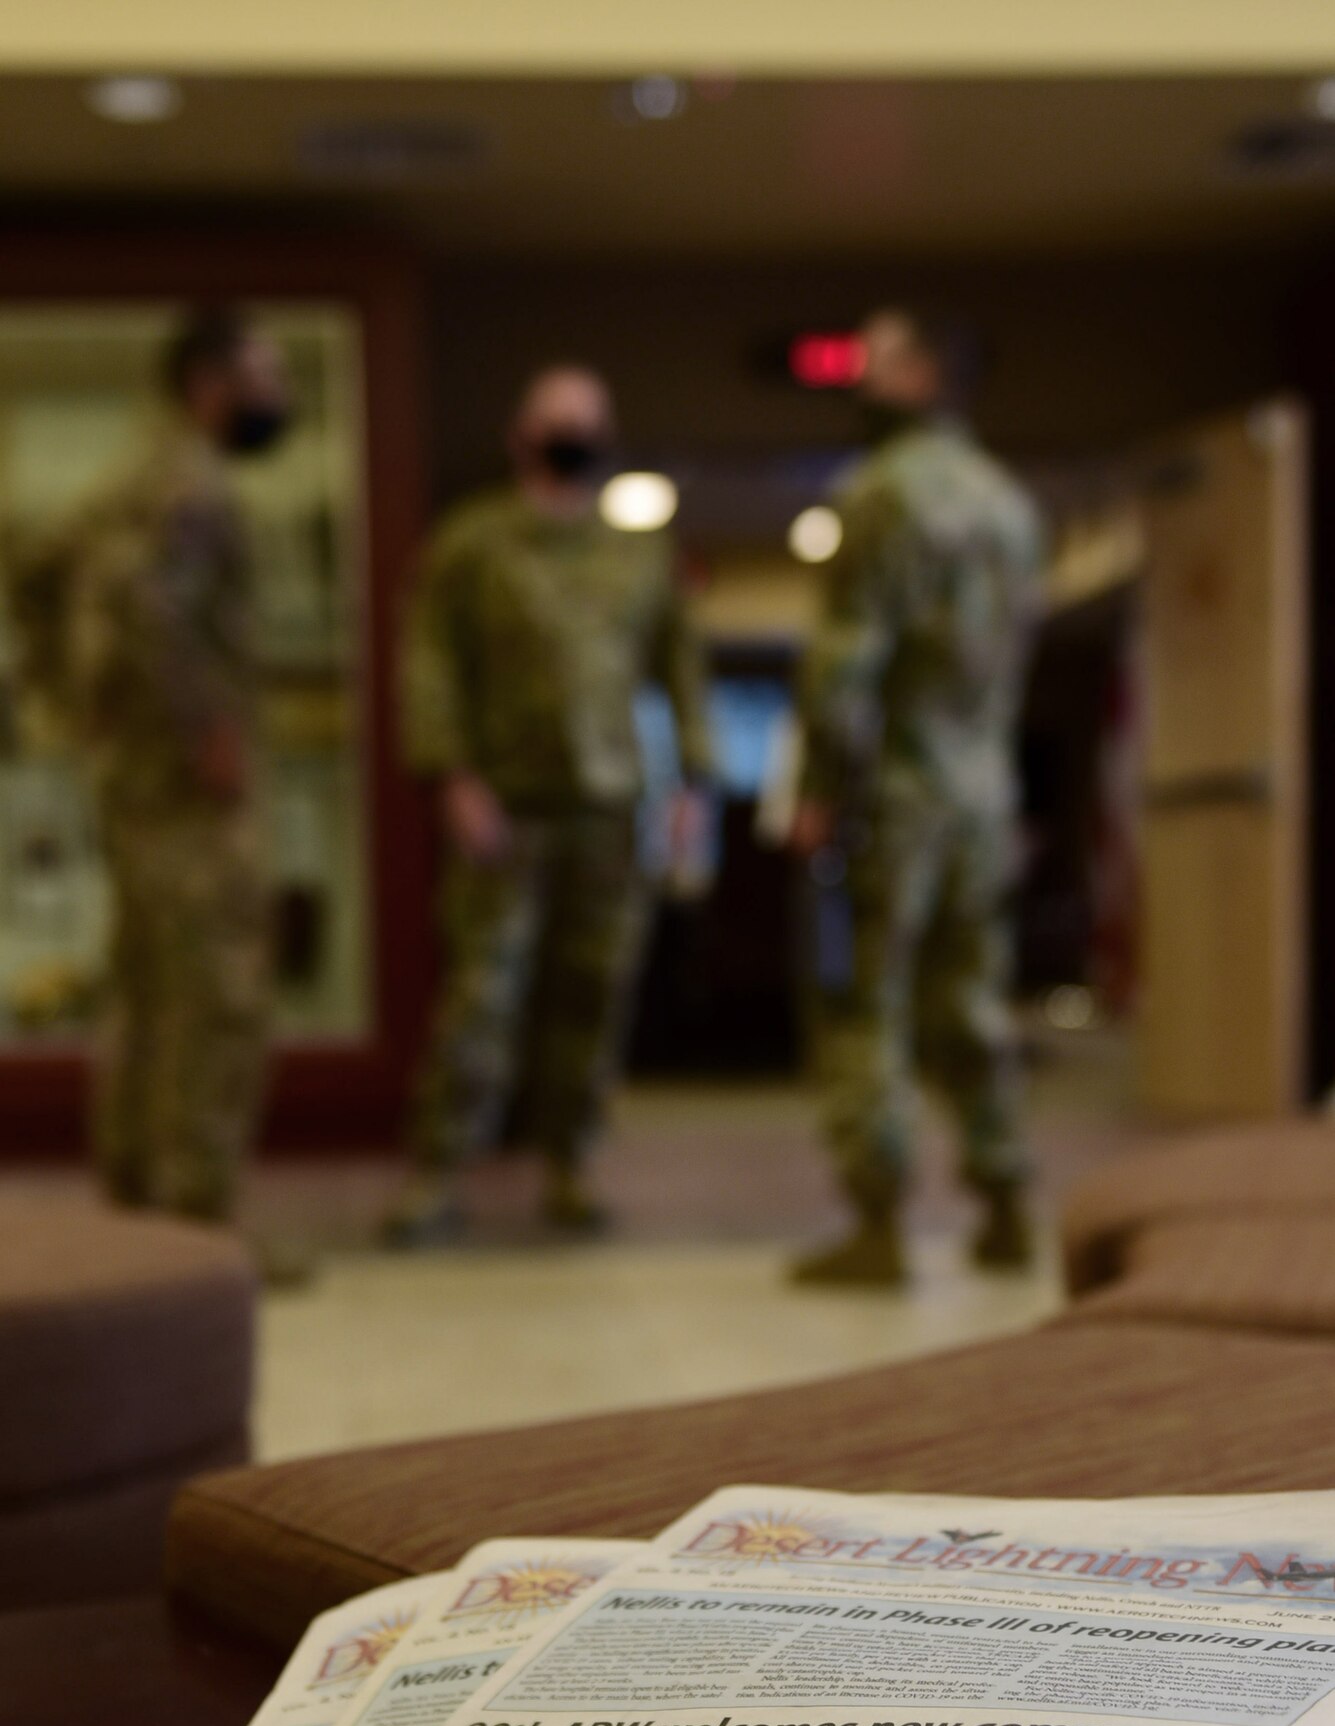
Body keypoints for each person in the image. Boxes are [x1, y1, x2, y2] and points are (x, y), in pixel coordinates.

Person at [389, 365, 712, 1241]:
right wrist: (449, 775)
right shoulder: (472, 543)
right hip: (507, 804)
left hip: (609, 805)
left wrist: (692, 780)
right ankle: (437, 1171)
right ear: (519, 436)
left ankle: (570, 1164)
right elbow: (429, 662)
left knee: (592, 994)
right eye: (555, 421)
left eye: (587, 421)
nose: (572, 435)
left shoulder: (636, 552)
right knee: (482, 995)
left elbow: (679, 667)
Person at [12, 308, 290, 1224]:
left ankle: (136, 1199)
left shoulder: (124, 477)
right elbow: (148, 605)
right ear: (211, 385)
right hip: (184, 787)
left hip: (133, 779)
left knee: (145, 985)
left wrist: (75, 704)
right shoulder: (189, 481)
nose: (278, 397)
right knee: (216, 993)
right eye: (266, 376)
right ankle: (198, 1217)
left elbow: (38, 575)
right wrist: (201, 726)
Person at [791, 309, 1045, 1286]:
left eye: (881, 361)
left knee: (866, 1002)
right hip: (983, 792)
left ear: (929, 374)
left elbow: (848, 661)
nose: (860, 376)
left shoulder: (880, 495)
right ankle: (1009, 1198)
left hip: (895, 793)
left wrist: (820, 789)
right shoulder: (1010, 503)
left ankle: (879, 1222)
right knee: (971, 996)